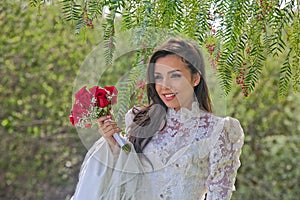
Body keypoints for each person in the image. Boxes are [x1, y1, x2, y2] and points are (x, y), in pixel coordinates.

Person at [71, 38, 244, 200]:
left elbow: (219, 195)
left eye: (175, 75)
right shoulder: (140, 120)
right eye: (159, 77)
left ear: (196, 78)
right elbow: (129, 178)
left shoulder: (219, 130)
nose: (164, 86)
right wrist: (114, 144)